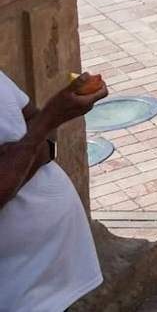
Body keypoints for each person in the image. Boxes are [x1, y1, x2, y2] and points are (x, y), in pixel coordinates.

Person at [0, 43, 105, 312]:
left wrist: (22, 151)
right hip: (17, 289)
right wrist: (49, 119)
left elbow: (38, 129)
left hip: (51, 277)